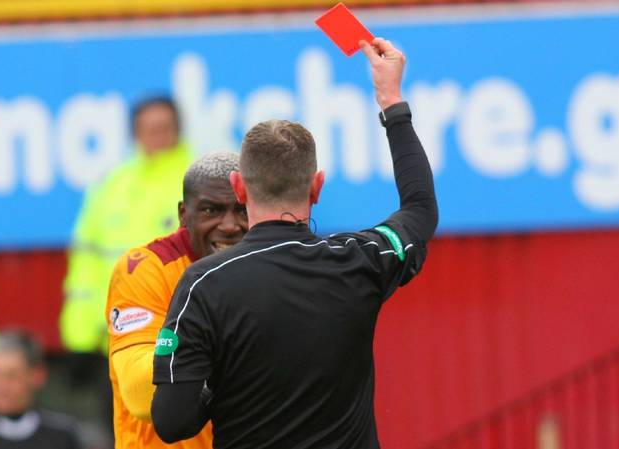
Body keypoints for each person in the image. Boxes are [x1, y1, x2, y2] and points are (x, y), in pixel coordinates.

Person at [151, 38, 438, 449]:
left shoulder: (202, 284)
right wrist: (391, 100)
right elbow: (421, 208)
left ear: (239, 188)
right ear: (317, 187)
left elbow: (173, 421)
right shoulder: (361, 260)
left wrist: (219, 377)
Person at [106, 152, 248, 449]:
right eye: (212, 211)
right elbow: (142, 396)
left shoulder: (268, 266)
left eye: (242, 210)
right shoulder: (146, 268)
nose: (231, 225)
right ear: (184, 214)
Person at [61, 96, 192, 355]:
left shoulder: (196, 178)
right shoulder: (113, 185)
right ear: (136, 134)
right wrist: (79, 323)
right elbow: (86, 255)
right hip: (114, 335)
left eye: (164, 127)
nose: (157, 136)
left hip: (178, 331)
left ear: (178, 129)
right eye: (149, 129)